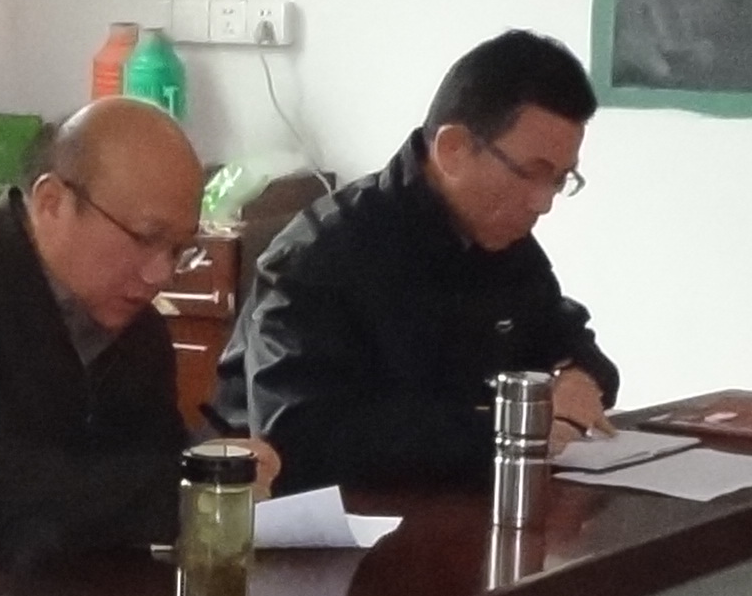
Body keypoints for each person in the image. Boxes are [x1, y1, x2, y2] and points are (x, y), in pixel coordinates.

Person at [0, 99, 265, 575]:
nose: (160, 273)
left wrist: (215, 471)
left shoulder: (139, 332)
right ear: (52, 201)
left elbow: (150, 467)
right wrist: (188, 488)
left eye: (179, 248)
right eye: (144, 237)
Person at [222, 30, 616, 487]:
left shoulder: (504, 245)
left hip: (458, 504)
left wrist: (579, 376)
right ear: (452, 149)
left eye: (561, 180)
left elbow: (567, 338)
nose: (543, 202)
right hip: (311, 517)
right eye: (532, 173)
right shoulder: (322, 255)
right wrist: (510, 430)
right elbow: (301, 437)